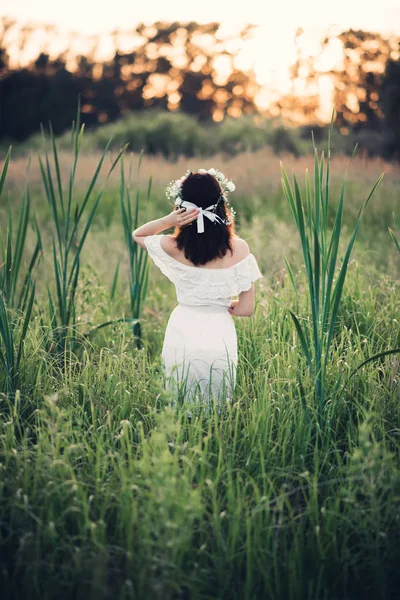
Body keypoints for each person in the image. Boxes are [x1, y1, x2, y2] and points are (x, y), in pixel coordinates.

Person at [132, 168, 262, 413]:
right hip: (218, 329)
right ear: (221, 204)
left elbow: (138, 234)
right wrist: (224, 304)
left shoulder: (172, 246)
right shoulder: (240, 248)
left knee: (179, 400)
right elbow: (247, 309)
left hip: (183, 327)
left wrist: (168, 222)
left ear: (182, 208)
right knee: (216, 405)